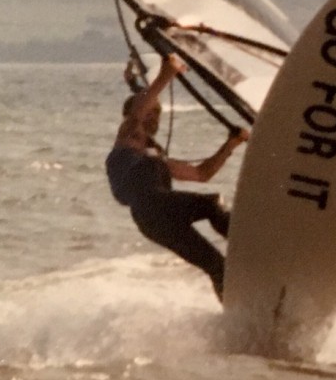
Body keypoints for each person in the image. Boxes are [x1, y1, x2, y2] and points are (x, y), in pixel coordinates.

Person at [106, 53, 249, 299]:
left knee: (216, 266)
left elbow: (201, 174)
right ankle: (251, 251)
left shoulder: (153, 156)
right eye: (150, 112)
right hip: (151, 208)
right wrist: (166, 73)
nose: (154, 117)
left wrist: (231, 144)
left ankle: (238, 315)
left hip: (156, 219)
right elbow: (139, 111)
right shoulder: (129, 137)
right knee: (211, 204)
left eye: (158, 114)